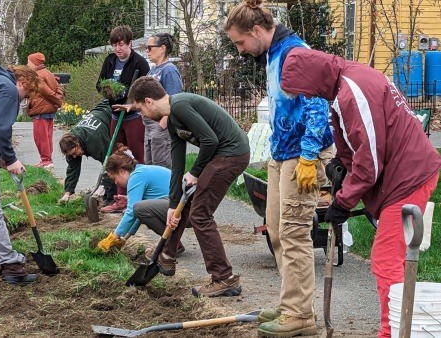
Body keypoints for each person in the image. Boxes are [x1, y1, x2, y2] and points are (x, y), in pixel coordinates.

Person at [280, 47, 441, 338]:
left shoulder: (352, 91)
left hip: (408, 177)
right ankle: (404, 325)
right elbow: (357, 141)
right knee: (393, 256)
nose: (307, 97)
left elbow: (370, 160)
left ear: (311, 78)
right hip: (403, 171)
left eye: (304, 91)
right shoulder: (344, 84)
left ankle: (393, 332)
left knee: (385, 258)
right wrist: (340, 163)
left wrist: (342, 201)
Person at [224, 1, 334, 336]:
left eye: (241, 42)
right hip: (282, 153)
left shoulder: (294, 53)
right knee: (275, 227)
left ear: (257, 31)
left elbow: (318, 105)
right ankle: (291, 304)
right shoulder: (272, 54)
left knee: (295, 232)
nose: (241, 50)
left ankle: (301, 316)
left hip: (303, 156)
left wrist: (308, 157)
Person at [120, 76, 250, 297]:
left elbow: (210, 140)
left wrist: (196, 172)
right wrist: (172, 205)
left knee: (200, 214)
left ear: (149, 101)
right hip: (220, 155)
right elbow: (177, 163)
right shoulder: (172, 120)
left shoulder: (180, 105)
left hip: (231, 153)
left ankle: (224, 277)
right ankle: (167, 257)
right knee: (186, 204)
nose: (142, 115)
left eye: (140, 109)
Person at [0, 63, 39, 286]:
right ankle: (11, 265)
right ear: (23, 82)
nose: (23, 100)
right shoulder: (9, 89)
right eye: (27, 94)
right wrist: (10, 159)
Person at [96, 25, 150, 213]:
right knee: (118, 156)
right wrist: (108, 90)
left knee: (136, 156)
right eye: (114, 45)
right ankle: (119, 198)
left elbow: (145, 90)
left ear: (129, 44)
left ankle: (139, 197)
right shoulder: (110, 61)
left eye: (121, 45)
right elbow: (99, 84)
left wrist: (130, 98)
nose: (117, 49)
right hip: (115, 115)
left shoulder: (140, 63)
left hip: (133, 116)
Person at [96, 144, 186, 254]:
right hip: (181, 207)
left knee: (138, 208)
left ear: (122, 171)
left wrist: (114, 236)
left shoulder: (136, 177)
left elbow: (132, 212)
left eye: (114, 178)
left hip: (183, 210)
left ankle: (172, 245)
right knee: (141, 209)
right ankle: (174, 244)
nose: (116, 183)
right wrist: (124, 239)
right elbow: (139, 214)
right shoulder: (140, 172)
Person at [58, 100, 117, 206]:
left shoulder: (94, 141)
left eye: (75, 152)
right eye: (71, 155)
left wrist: (102, 187)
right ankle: (108, 195)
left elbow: (111, 161)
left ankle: (113, 196)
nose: (75, 156)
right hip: (100, 113)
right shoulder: (70, 146)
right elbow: (72, 170)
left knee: (114, 162)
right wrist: (67, 193)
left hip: (112, 111)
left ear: (77, 142)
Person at [143, 33, 183, 168]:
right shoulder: (153, 70)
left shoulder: (169, 70)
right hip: (149, 128)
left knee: (161, 168)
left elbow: (175, 100)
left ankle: (166, 190)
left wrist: (162, 125)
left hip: (161, 126)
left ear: (162, 48)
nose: (147, 51)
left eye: (149, 47)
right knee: (150, 167)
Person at [27, 52, 62, 169]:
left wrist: (57, 101)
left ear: (35, 63)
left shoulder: (37, 76)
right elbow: (59, 88)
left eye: (29, 62)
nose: (27, 64)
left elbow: (45, 91)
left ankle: (46, 160)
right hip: (49, 109)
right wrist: (57, 100)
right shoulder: (48, 73)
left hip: (41, 109)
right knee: (48, 136)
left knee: (40, 136)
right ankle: (47, 159)